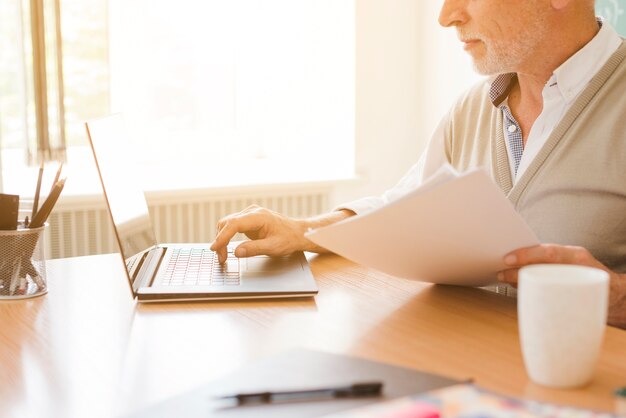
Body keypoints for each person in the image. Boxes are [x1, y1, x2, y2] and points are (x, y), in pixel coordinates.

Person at [210, 0, 626, 328]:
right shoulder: (472, 108)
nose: (446, 16)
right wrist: (302, 230)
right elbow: (400, 206)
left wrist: (619, 301)